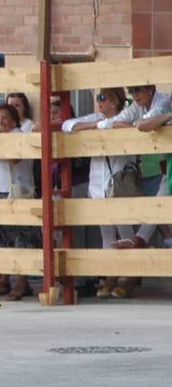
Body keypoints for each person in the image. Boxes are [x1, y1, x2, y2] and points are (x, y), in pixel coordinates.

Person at [64, 88, 140, 297]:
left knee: (125, 231)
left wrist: (103, 127)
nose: (99, 102)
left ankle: (129, 278)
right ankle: (111, 276)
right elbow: (67, 125)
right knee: (106, 234)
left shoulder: (126, 118)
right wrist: (95, 126)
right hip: (98, 186)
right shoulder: (97, 118)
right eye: (98, 98)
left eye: (103, 98)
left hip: (119, 183)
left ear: (115, 101)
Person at [0, 103, 39, 301]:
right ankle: (6, 280)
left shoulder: (19, 135)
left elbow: (14, 160)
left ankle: (21, 282)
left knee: (21, 240)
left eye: (3, 118)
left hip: (16, 193)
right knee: (2, 239)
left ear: (14, 120)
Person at [108, 83, 172, 249]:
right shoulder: (151, 105)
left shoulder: (163, 102)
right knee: (159, 202)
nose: (134, 95)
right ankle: (140, 240)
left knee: (159, 202)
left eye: (137, 90)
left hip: (161, 166)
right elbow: (118, 123)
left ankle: (141, 240)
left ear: (150, 89)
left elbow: (143, 125)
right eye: (131, 91)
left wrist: (165, 116)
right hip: (165, 164)